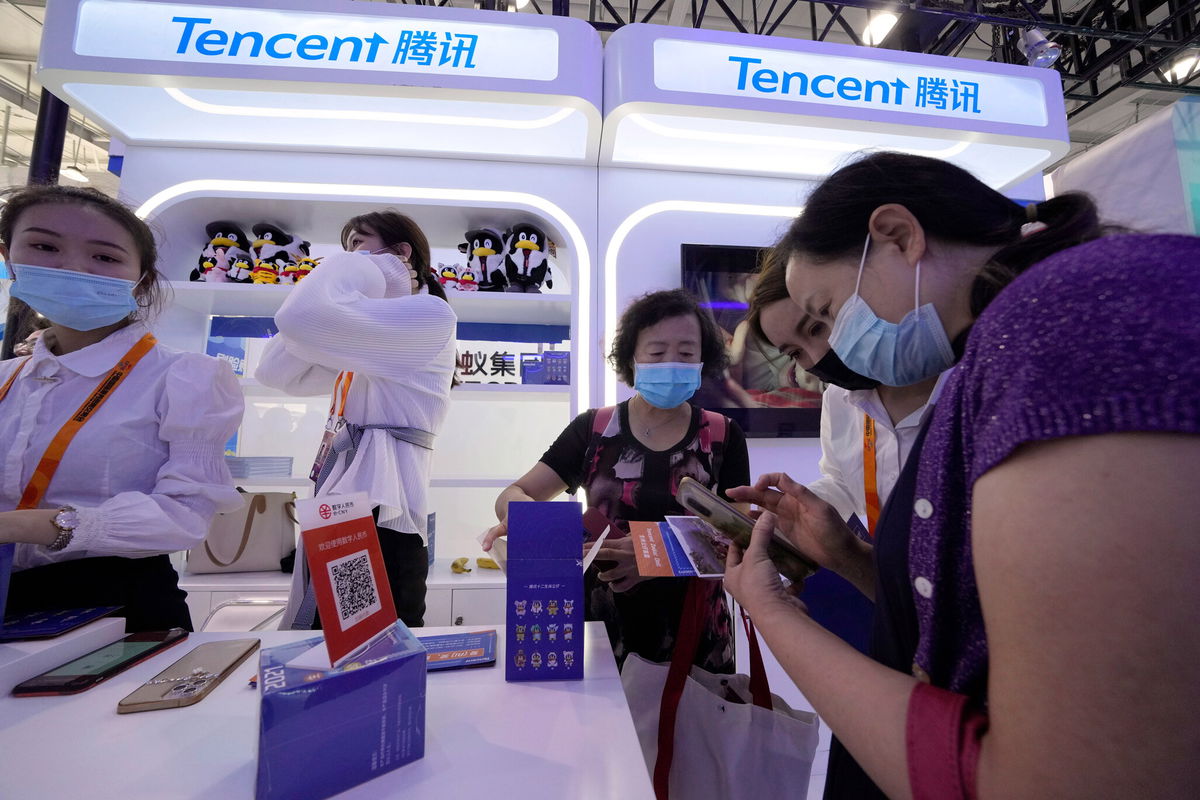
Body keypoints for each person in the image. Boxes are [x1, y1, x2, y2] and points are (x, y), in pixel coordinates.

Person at [723, 152, 1200, 800]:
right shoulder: (1006, 344)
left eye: (826, 313)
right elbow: (973, 623)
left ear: (898, 236)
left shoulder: (1069, 319)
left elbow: (1058, 778)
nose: (829, 352)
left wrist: (774, 612)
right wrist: (849, 557)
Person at [746, 246, 950, 796]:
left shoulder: (963, 385)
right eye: (796, 349)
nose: (820, 353)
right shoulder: (842, 395)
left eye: (821, 323)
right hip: (893, 609)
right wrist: (793, 509)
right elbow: (843, 477)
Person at [0, 184, 243, 631]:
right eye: (44, 246)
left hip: (118, 605)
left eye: (105, 257)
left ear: (142, 279)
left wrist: (22, 527)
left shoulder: (185, 377)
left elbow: (184, 516)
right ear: (9, 257)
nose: (73, 267)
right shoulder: (7, 380)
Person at [482, 289, 750, 672]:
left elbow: (740, 537)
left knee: (691, 731)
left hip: (696, 635)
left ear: (703, 358)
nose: (672, 363)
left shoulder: (724, 435)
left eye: (687, 353)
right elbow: (516, 492)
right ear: (632, 359)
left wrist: (658, 556)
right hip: (602, 631)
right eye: (657, 353)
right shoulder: (594, 429)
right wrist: (529, 519)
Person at [256, 209, 456, 630]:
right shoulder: (363, 337)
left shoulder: (430, 315)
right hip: (343, 504)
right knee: (325, 642)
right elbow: (273, 371)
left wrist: (367, 267)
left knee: (374, 651)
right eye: (346, 251)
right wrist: (361, 263)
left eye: (358, 245)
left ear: (400, 254)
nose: (349, 258)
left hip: (384, 512)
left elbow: (298, 317)